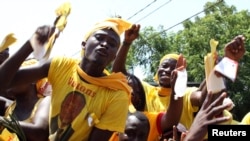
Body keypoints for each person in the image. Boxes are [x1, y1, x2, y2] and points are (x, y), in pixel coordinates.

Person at [0, 18, 132, 141]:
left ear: (114, 56)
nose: (104, 44)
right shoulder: (61, 65)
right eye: (99, 38)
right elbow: (4, 80)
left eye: (112, 44)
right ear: (84, 44)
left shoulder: (117, 95)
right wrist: (30, 45)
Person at [110, 51, 186, 141]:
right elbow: (118, 73)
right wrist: (126, 43)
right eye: (130, 133)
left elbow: (171, 119)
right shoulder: (107, 112)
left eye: (134, 90)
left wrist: (178, 85)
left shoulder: (146, 120)